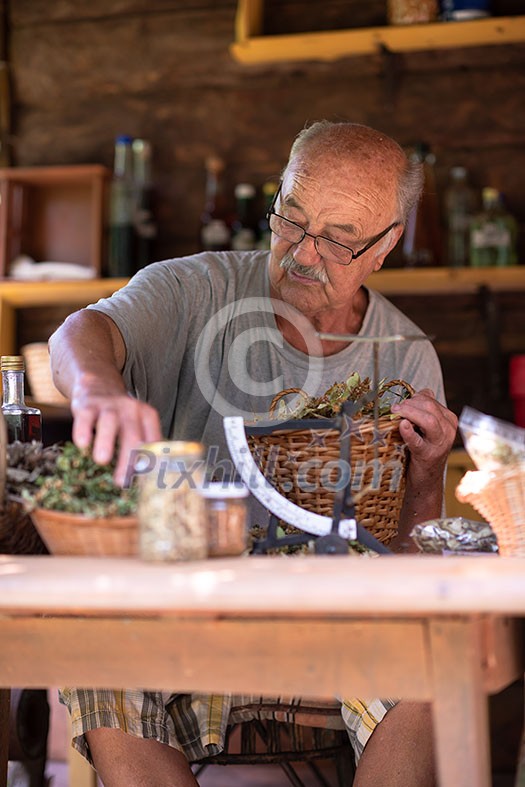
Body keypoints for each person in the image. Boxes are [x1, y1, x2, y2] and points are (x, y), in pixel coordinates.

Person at [50, 120, 457, 787]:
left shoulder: (405, 356)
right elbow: (82, 330)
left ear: (384, 246)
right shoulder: (196, 291)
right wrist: (96, 389)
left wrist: (427, 471)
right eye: (290, 219)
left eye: (338, 238)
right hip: (180, 617)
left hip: (334, 636)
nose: (302, 252)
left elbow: (412, 568)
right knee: (98, 653)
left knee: (431, 658)